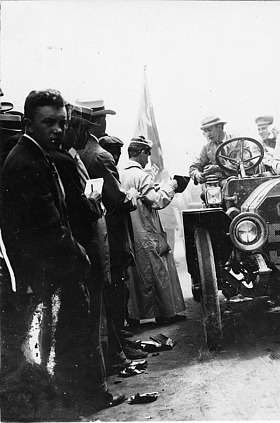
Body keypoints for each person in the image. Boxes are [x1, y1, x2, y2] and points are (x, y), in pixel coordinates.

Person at [0, 90, 125, 416]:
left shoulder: (38, 155)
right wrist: (80, 256)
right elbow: (48, 228)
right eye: (48, 122)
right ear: (28, 123)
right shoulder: (26, 161)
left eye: (61, 123)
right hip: (44, 275)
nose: (57, 129)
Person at [76, 98, 141, 368]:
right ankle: (116, 349)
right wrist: (132, 198)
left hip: (95, 234)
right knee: (115, 289)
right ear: (98, 122)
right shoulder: (100, 155)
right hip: (111, 233)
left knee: (109, 292)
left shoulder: (82, 153)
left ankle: (117, 345)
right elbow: (117, 199)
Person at [121, 136, 186, 324]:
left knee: (134, 275)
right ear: (141, 153)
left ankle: (133, 317)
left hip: (130, 230)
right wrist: (171, 187)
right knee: (157, 271)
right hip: (146, 229)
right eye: (147, 154)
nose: (148, 158)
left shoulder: (120, 173)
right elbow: (157, 201)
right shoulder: (141, 175)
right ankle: (165, 315)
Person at [189, 116, 231, 184]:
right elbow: (194, 167)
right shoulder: (207, 148)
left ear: (219, 127)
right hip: (219, 186)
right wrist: (197, 174)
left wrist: (217, 168)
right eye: (205, 131)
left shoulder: (238, 142)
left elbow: (245, 165)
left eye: (209, 130)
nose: (208, 134)